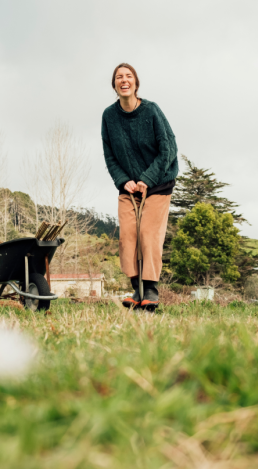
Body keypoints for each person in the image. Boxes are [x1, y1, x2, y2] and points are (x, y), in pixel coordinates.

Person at [101, 63, 178, 309]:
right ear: (114, 85)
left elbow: (169, 149)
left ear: (136, 82)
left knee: (148, 233)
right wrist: (125, 181)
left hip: (158, 184)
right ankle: (137, 291)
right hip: (128, 187)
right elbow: (110, 156)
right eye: (119, 77)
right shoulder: (109, 116)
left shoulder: (151, 111)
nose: (124, 80)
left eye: (128, 76)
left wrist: (147, 179)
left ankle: (151, 291)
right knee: (128, 236)